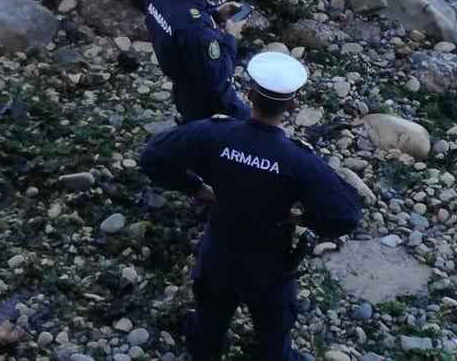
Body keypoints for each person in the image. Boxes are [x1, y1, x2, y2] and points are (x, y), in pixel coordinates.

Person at [139, 51, 362, 360]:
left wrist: (196, 187)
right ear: (292, 106)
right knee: (273, 338)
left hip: (219, 251)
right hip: (266, 263)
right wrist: (301, 218)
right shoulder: (299, 161)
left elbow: (153, 157)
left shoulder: (212, 133)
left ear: (249, 95)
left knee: (207, 326)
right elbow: (346, 216)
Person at [144, 0, 249, 122]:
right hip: (210, 103)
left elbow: (179, 15)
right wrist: (231, 37)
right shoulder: (196, 28)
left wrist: (215, 15)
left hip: (182, 89)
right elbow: (217, 75)